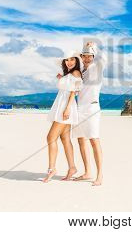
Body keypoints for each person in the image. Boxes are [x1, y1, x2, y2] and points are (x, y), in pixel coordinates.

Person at [43, 51, 82, 183]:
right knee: (64, 138)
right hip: (62, 105)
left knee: (50, 137)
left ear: (76, 61)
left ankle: (51, 168)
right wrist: (62, 78)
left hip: (66, 107)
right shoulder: (69, 74)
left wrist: (67, 108)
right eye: (67, 60)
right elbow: (68, 87)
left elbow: (74, 91)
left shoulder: (76, 73)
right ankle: (72, 167)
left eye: (72, 59)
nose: (69, 62)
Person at [72, 41, 106, 186]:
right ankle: (87, 172)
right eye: (84, 56)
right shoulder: (81, 72)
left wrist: (95, 46)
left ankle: (99, 175)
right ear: (81, 56)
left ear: (93, 56)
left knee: (94, 140)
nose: (87, 59)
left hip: (92, 109)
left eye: (89, 56)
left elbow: (103, 58)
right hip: (80, 109)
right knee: (80, 140)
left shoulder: (96, 68)